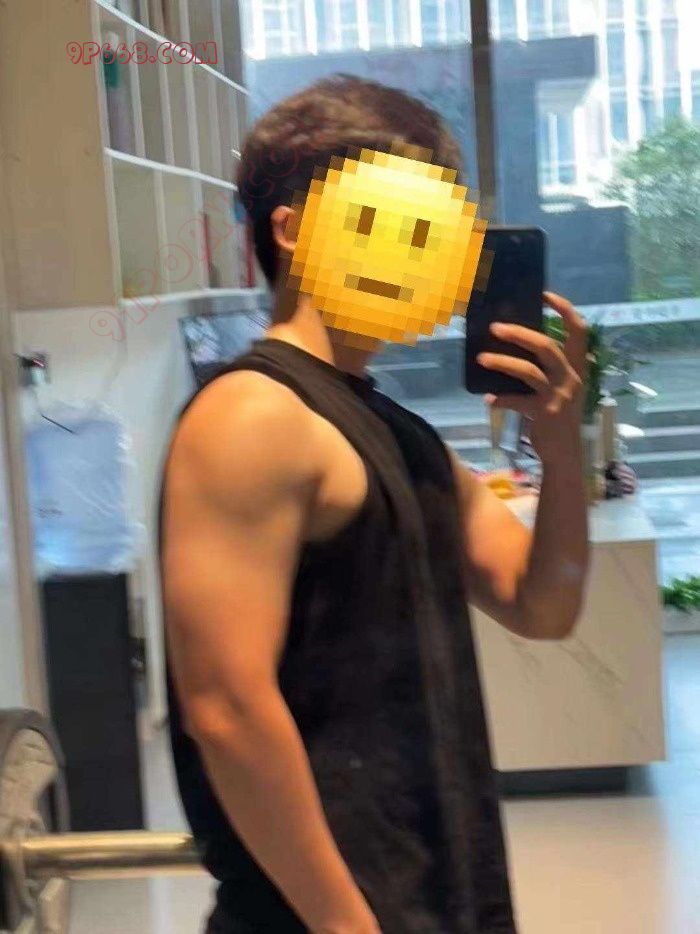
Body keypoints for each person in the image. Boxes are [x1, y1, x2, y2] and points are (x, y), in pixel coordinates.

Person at [158, 74, 589, 934]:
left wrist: (560, 443)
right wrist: (344, 924)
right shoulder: (253, 414)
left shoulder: (399, 433)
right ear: (292, 230)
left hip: (434, 884)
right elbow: (227, 706)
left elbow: (542, 604)